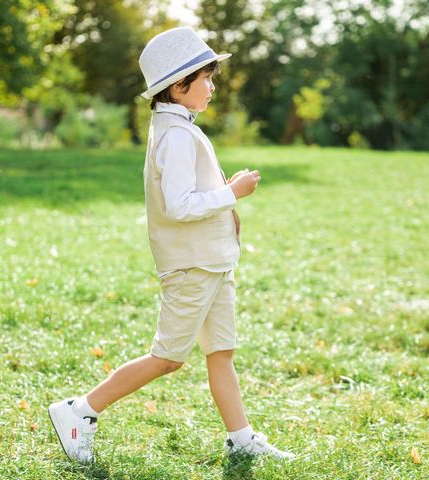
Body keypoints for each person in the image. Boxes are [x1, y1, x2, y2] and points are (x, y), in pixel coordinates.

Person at [48, 26, 295, 464]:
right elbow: (179, 206)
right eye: (207, 78)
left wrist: (228, 209)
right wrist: (232, 194)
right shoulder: (175, 136)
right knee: (167, 358)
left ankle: (240, 436)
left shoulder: (180, 128)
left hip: (214, 263)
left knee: (221, 352)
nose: (213, 87)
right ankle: (80, 411)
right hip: (191, 268)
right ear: (179, 86)